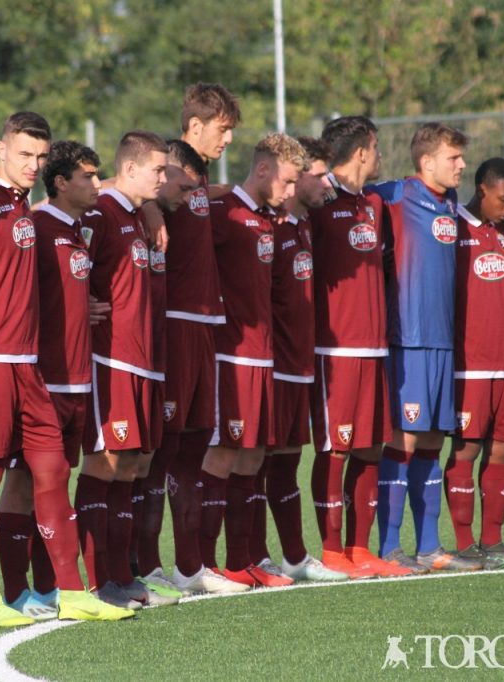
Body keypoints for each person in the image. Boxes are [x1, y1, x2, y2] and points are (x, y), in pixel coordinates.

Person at [0, 112, 133, 624]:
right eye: (25, 154)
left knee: (52, 471)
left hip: (29, 366)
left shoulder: (21, 205)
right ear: (2, 149)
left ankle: (70, 591)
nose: (33, 165)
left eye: (40, 155)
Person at [185, 132, 305, 591]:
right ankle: (203, 564)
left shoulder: (267, 219)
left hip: (262, 356)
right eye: (288, 181)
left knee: (253, 454)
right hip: (228, 355)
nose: (291, 192)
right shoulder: (222, 212)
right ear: (262, 171)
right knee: (222, 453)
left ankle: (242, 561)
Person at [140, 84, 247, 596]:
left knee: (193, 449)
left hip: (206, 327)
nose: (228, 138)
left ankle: (188, 568)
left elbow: (209, 197)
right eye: (222, 128)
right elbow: (135, 193)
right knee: (162, 453)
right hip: (176, 326)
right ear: (194, 125)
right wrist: (152, 208)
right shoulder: (171, 172)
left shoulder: (199, 180)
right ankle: (145, 566)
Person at [0, 140, 104, 620]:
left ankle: (47, 588)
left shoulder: (77, 230)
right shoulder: (37, 226)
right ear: (60, 183)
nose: (97, 184)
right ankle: (16, 590)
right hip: (43, 380)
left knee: (54, 485)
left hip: (78, 380)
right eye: (88, 177)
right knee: (21, 482)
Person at [370, 122, 482, 573]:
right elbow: (342, 192)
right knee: (405, 439)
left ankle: (431, 548)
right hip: (409, 340)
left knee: (433, 440)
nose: (461, 165)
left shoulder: (451, 202)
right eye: (453, 158)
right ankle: (390, 547)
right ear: (426, 161)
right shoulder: (394, 193)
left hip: (443, 342)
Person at [76, 131, 177, 609]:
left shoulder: (138, 215)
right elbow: (57, 247)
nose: (164, 177)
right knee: (107, 462)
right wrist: (80, 305)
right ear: (130, 169)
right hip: (111, 359)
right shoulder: (98, 211)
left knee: (134, 466)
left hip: (145, 361)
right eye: (158, 170)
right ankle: (100, 580)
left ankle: (123, 573)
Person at [309, 117, 411, 579]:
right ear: (362, 151)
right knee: (336, 450)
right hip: (335, 350)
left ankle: (359, 548)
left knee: (371, 448)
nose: (381, 156)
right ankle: (331, 551)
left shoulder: (373, 202)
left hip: (375, 349)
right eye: (376, 148)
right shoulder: (316, 199)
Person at [250, 135, 348, 583]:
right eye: (317, 174)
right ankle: (251, 556)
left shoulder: (302, 224)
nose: (325, 182)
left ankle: (292, 555)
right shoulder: (264, 223)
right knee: (252, 461)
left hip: (299, 362)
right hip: (268, 363)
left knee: (286, 460)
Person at [444, 158, 504, 569]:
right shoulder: (453, 229)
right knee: (466, 450)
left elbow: (502, 300)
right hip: (468, 365)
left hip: (503, 362)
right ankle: (466, 545)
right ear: (482, 189)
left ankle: (494, 541)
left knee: (503, 450)